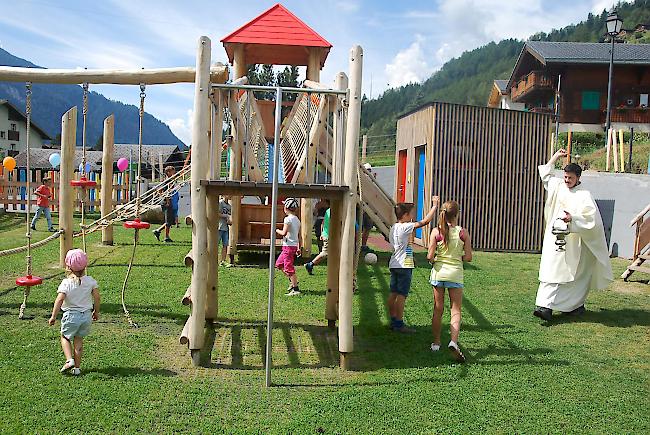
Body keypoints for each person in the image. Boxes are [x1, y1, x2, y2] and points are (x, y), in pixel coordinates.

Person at [534, 149, 613, 321]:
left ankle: (574, 306)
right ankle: (544, 306)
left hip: (576, 243)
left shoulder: (584, 195)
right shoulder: (558, 186)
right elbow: (546, 174)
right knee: (551, 270)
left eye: (570, 178)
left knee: (576, 276)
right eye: (565, 177)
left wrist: (573, 218)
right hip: (555, 239)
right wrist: (555, 156)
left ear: (578, 178)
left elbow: (592, 219)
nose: (567, 180)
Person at [427, 200, 472, 362]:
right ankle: (453, 341)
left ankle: (436, 342)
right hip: (455, 274)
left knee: (438, 309)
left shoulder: (435, 232)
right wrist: (456, 256)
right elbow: (468, 257)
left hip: (439, 274)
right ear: (457, 214)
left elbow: (430, 257)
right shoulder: (463, 233)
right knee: (456, 310)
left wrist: (437, 259)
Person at [387, 196, 439, 333]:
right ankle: (399, 324)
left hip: (394, 264)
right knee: (402, 295)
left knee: (393, 293)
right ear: (404, 215)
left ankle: (393, 320)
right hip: (404, 266)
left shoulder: (394, 227)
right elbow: (425, 222)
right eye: (410, 214)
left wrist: (412, 258)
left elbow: (403, 246)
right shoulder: (405, 227)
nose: (411, 217)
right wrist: (434, 205)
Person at [48, 249, 100, 376]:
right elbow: (97, 297)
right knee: (78, 339)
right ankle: (77, 368)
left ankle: (69, 360)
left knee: (65, 337)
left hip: (71, 315)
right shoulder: (90, 281)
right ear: (85, 265)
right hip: (86, 316)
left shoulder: (66, 283)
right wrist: (96, 311)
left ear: (68, 266)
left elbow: (59, 299)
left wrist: (53, 316)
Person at [276, 197, 302, 296]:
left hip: (288, 247)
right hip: (292, 246)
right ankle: (293, 281)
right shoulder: (297, 220)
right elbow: (298, 235)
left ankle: (295, 289)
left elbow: (283, 233)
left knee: (288, 267)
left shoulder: (287, 219)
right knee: (279, 264)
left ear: (286, 207)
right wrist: (299, 247)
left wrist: (276, 230)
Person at [153, 166, 179, 243]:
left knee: (170, 221)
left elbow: (160, 190)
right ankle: (166, 237)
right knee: (168, 221)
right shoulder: (168, 181)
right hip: (166, 202)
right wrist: (167, 200)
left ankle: (158, 231)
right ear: (168, 172)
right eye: (172, 172)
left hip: (167, 202)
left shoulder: (169, 181)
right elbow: (162, 191)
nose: (173, 173)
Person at [305, 201, 330, 275]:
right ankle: (310, 265)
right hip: (329, 235)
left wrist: (322, 233)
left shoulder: (328, 210)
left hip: (326, 234)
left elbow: (323, 222)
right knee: (325, 252)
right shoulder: (333, 211)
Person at [360, 163, 375, 252]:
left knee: (367, 227)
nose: (368, 172)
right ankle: (357, 245)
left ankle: (363, 244)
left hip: (369, 208)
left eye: (369, 170)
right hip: (361, 207)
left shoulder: (371, 179)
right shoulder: (360, 179)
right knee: (359, 228)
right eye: (367, 170)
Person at [219, 195, 233, 267]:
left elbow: (229, 216)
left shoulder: (229, 206)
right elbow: (216, 214)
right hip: (219, 227)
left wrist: (230, 221)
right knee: (215, 244)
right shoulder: (220, 203)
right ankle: (213, 260)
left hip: (226, 228)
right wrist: (226, 216)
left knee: (225, 245)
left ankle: (223, 261)